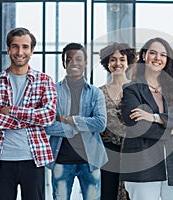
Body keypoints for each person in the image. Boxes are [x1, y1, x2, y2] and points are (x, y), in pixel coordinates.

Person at [120, 37, 173, 200]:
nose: (158, 58)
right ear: (144, 55)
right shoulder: (131, 89)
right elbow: (137, 125)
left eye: (163, 55)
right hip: (143, 166)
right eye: (153, 53)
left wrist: (154, 117)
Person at [0, 27, 57, 200]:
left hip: (33, 157)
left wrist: (12, 111)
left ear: (32, 50)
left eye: (25, 47)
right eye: (15, 46)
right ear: (8, 49)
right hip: (2, 159)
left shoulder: (44, 81)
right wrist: (33, 118)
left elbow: (48, 117)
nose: (20, 52)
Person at [45, 43, 107, 200]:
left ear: (86, 62)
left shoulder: (95, 93)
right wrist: (72, 128)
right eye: (69, 59)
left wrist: (70, 120)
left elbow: (100, 124)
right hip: (61, 160)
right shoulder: (53, 91)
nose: (74, 63)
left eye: (78, 59)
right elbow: (47, 125)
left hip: (90, 161)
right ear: (64, 63)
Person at [99, 42, 136, 200]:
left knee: (131, 193)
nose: (118, 63)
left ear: (128, 62)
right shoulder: (99, 92)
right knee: (108, 192)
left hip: (133, 150)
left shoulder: (137, 89)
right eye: (113, 60)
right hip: (108, 151)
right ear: (107, 63)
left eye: (122, 59)